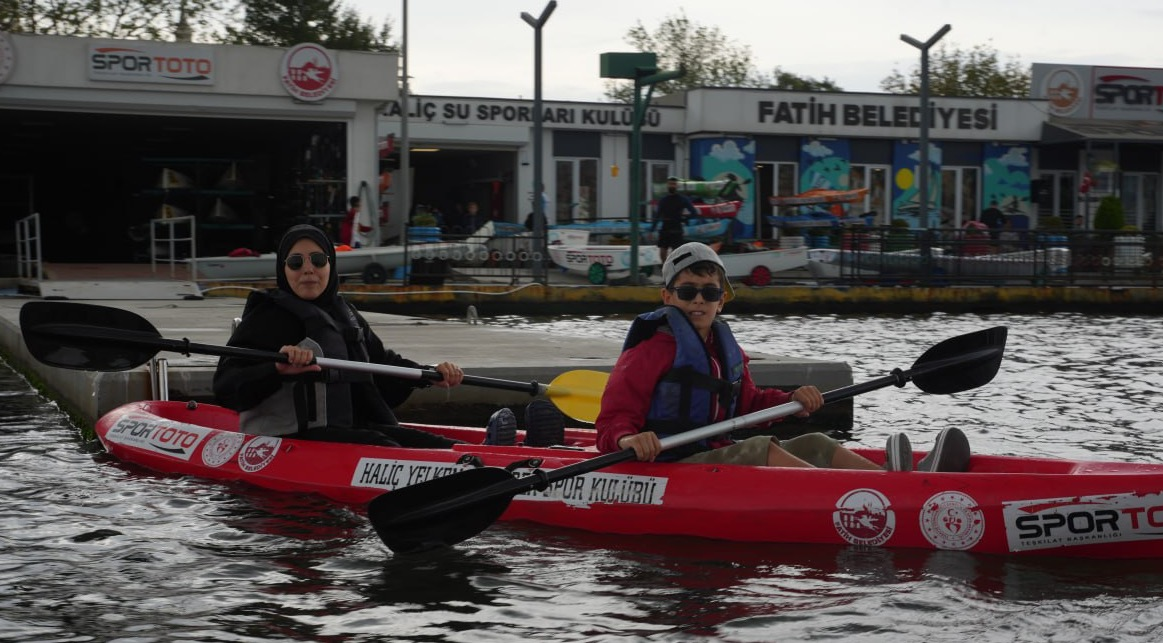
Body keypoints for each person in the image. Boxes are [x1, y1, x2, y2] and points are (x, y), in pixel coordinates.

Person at [594, 241, 970, 472]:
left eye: (709, 293)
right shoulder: (647, 353)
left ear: (722, 300)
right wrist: (629, 440)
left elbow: (750, 406)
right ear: (667, 297)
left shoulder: (727, 350)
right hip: (668, 463)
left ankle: (892, 481)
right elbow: (612, 420)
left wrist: (790, 402)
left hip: (712, 453)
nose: (698, 300)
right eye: (687, 291)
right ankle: (868, 494)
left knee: (817, 443)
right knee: (762, 450)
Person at [213, 224, 467, 447]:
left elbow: (383, 364)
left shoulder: (345, 312)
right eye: (296, 262)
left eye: (318, 260)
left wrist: (429, 373)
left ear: (330, 264)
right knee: (382, 444)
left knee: (440, 445)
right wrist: (276, 369)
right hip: (292, 437)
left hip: (352, 428)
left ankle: (490, 457)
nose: (308, 269)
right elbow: (226, 384)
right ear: (284, 270)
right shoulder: (267, 316)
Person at [652, 177, 699, 263]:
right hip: (665, 229)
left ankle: (674, 270)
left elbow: (694, 212)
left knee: (676, 253)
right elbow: (657, 215)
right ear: (667, 185)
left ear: (677, 186)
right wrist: (652, 228)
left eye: (673, 184)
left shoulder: (683, 199)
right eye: (670, 184)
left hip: (677, 229)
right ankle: (665, 268)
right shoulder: (663, 200)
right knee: (662, 252)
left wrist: (685, 219)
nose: (672, 186)